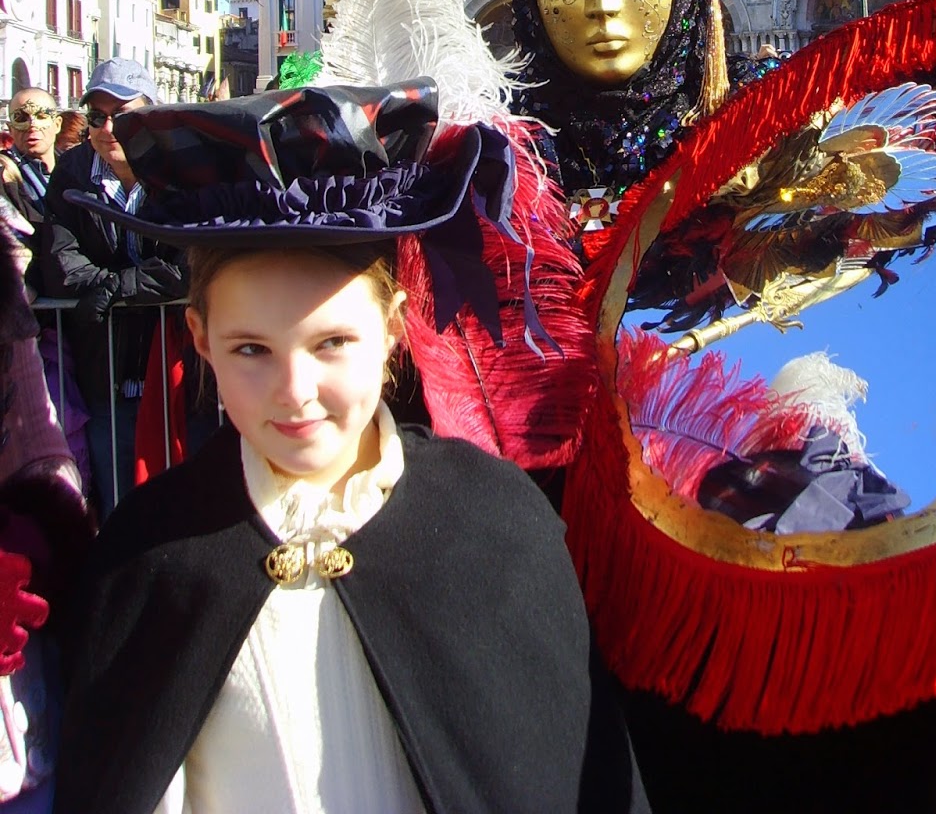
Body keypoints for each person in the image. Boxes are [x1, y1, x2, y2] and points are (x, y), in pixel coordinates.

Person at [53, 83, 648, 814]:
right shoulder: (146, 557)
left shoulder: (494, 521)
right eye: (251, 349)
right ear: (200, 339)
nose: (295, 393)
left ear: (394, 326)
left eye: (332, 342)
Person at [40, 60, 186, 517]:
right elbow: (60, 265)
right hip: (104, 369)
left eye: (122, 116)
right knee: (118, 506)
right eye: (97, 117)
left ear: (150, 116)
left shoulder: (181, 167)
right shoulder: (72, 171)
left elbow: (190, 263)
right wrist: (122, 288)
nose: (108, 129)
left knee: (182, 501)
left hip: (179, 366)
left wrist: (115, 287)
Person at [0, 90, 61, 293]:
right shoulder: (4, 175)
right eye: (21, 118)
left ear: (57, 124)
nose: (32, 125)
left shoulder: (79, 169)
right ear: (10, 128)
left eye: (42, 116)